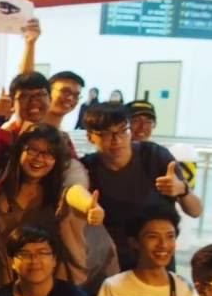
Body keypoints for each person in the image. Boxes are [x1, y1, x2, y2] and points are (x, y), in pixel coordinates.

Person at [0, 124, 117, 295]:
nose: (39, 159)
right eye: (33, 150)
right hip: (21, 275)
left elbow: (73, 190)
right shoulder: (4, 185)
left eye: (49, 154)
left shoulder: (62, 181)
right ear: (20, 151)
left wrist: (90, 207)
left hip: (83, 275)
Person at [81, 103, 202, 270]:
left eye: (123, 131)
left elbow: (195, 211)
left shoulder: (154, 156)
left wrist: (182, 189)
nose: (117, 140)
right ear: (90, 137)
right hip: (111, 262)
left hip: (157, 258)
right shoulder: (87, 168)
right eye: (107, 134)